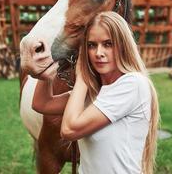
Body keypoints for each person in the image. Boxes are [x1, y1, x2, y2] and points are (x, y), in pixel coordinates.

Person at [32, 11, 160, 174]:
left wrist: (82, 78)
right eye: (92, 45)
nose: (99, 53)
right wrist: (50, 65)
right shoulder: (94, 92)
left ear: (123, 46)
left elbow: (69, 130)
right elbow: (41, 103)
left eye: (108, 44)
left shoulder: (133, 84)